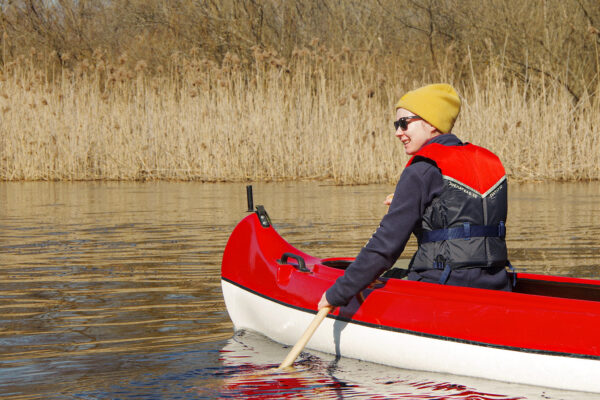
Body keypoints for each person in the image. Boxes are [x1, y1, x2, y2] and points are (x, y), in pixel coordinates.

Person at [318, 83, 512, 311]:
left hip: (442, 289)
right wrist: (420, 209)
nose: (398, 132)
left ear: (431, 124)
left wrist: (337, 293)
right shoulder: (489, 162)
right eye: (396, 124)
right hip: (497, 285)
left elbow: (385, 246)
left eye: (404, 123)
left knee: (389, 275)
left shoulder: (422, 169)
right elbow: (463, 217)